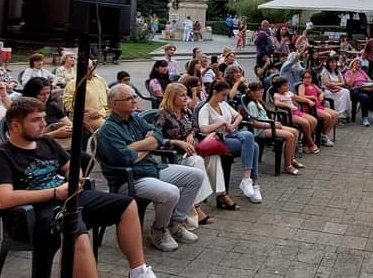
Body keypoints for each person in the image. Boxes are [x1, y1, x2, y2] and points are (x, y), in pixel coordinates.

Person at [0, 99, 169, 278]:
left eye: (43, 118)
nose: (43, 124)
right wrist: (53, 193)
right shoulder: (1, 157)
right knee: (76, 231)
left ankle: (138, 274)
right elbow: (3, 199)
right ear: (14, 125)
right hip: (32, 216)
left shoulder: (46, 144)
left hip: (67, 200)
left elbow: (71, 167)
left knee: (126, 204)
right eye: (35, 120)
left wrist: (76, 178)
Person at [95, 84, 205, 252]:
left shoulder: (135, 118)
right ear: (114, 104)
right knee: (170, 192)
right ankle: (158, 230)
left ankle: (175, 223)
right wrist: (148, 146)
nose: (134, 100)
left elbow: (158, 135)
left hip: (152, 168)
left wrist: (135, 147)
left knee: (196, 175)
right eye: (129, 98)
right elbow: (125, 159)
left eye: (134, 97)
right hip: (130, 179)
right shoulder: (107, 130)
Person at [157, 83, 234, 212]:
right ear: (172, 97)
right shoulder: (162, 114)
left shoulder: (185, 110)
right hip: (177, 154)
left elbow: (194, 127)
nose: (185, 98)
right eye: (182, 95)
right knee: (197, 160)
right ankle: (196, 207)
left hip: (193, 148)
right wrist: (177, 142)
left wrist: (190, 133)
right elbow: (157, 138)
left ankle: (221, 194)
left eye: (185, 95)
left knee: (213, 156)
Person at [199, 80, 262, 203]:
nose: (225, 97)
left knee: (250, 137)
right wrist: (221, 123)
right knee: (254, 146)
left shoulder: (224, 104)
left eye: (226, 95)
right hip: (220, 140)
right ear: (214, 92)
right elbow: (204, 128)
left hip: (232, 134)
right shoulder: (205, 109)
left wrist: (233, 125)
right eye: (223, 95)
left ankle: (247, 180)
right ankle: (253, 183)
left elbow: (238, 116)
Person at [243, 81, 302, 175]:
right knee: (290, 136)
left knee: (295, 131)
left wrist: (274, 123)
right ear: (252, 92)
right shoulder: (252, 105)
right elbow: (254, 123)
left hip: (269, 126)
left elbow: (264, 117)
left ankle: (291, 159)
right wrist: (272, 125)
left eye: (262, 90)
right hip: (261, 131)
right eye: (258, 90)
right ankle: (287, 166)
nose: (261, 92)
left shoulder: (258, 102)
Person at [20, 77, 73, 149]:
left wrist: (67, 130)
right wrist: (55, 133)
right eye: (41, 94)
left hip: (59, 144)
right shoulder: (24, 109)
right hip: (40, 147)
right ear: (32, 94)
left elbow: (69, 124)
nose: (46, 97)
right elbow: (27, 139)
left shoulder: (52, 105)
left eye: (48, 93)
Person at [271, 76, 320, 152]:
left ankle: (304, 142)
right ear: (278, 88)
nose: (287, 87)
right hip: (287, 115)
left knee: (314, 121)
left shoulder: (288, 93)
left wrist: (308, 101)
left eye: (287, 85)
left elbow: (297, 98)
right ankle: (310, 143)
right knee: (306, 123)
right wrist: (287, 105)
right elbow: (276, 103)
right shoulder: (277, 95)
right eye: (284, 85)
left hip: (296, 112)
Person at [62, 63, 109, 131]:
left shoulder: (100, 79)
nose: (91, 70)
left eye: (91, 67)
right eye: (88, 68)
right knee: (108, 127)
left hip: (106, 112)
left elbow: (109, 95)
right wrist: (87, 110)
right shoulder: (73, 84)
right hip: (86, 117)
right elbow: (68, 105)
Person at [297, 71, 339, 146]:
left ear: (312, 78)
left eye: (309, 77)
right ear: (302, 79)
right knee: (328, 117)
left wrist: (321, 95)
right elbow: (301, 96)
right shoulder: (302, 86)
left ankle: (325, 135)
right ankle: (322, 134)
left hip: (318, 106)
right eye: (305, 77)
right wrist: (311, 97)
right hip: (310, 108)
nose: (307, 79)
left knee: (336, 114)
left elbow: (321, 92)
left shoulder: (313, 85)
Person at [343, 58, 373, 126]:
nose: (358, 65)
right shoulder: (348, 73)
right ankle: (365, 117)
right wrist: (353, 73)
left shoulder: (362, 72)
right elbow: (349, 84)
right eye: (356, 63)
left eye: (359, 64)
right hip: (355, 90)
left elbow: (369, 80)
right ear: (352, 64)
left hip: (365, 88)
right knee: (364, 97)